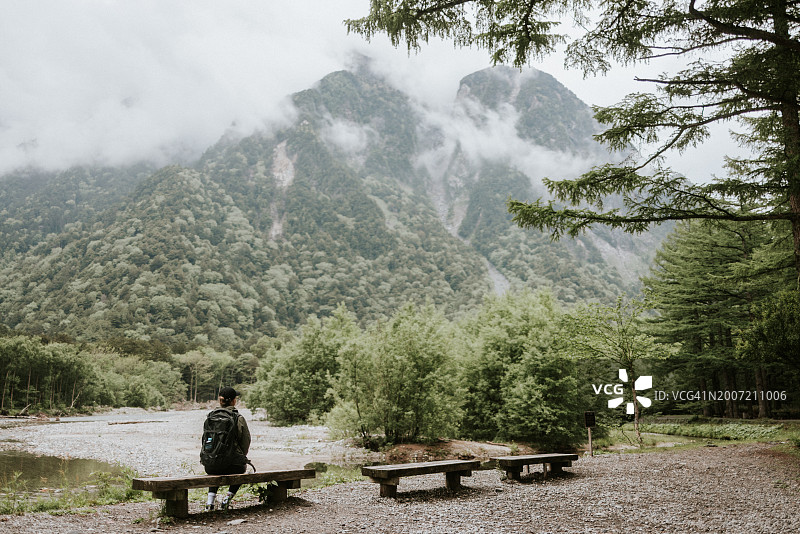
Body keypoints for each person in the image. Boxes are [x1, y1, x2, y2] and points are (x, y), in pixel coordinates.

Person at [205, 386, 251, 511]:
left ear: (220, 401)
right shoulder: (238, 418)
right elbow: (245, 441)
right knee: (242, 468)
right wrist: (240, 456)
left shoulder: (211, 416)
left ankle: (210, 502)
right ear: (233, 401)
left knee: (215, 465)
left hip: (210, 464)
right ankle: (227, 499)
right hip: (233, 466)